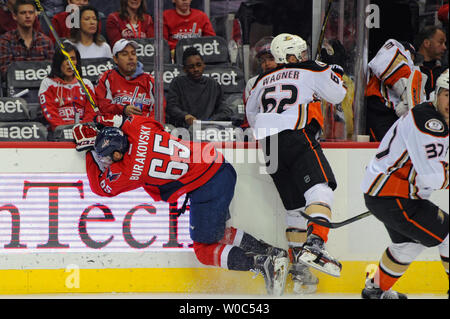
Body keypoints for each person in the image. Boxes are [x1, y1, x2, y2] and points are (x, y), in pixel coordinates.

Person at [71, 113, 290, 296]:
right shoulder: (138, 126)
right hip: (219, 165)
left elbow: (101, 188)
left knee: (203, 250)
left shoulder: (127, 171)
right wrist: (103, 120)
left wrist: (89, 152)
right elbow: (128, 120)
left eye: (108, 157)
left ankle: (263, 263)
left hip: (207, 183)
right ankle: (273, 252)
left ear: (118, 153)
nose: (106, 162)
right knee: (216, 234)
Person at [246, 33, 347, 281]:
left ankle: (299, 270)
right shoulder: (311, 69)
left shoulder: (261, 80)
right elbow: (338, 95)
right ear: (289, 56)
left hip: (267, 144)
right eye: (300, 53)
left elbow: (251, 115)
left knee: (294, 209)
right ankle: (316, 243)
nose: (304, 57)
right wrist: (335, 68)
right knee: (320, 189)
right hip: (295, 135)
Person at [360, 69, 449, 299]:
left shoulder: (435, 119)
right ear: (437, 93)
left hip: (388, 193)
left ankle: (375, 291)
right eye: (447, 94)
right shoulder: (430, 123)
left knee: (408, 245)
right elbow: (433, 176)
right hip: (394, 195)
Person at [364, 39, 423, 142]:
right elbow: (384, 62)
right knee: (382, 150)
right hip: (381, 111)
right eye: (413, 57)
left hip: (396, 117)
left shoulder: (414, 71)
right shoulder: (393, 48)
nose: (413, 61)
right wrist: (406, 94)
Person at [165, 46, 232, 128]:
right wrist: (185, 116)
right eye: (191, 67)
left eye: (198, 65)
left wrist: (211, 121)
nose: (196, 69)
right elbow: (171, 107)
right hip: (184, 129)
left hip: (210, 129)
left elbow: (225, 110)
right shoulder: (177, 83)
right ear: (184, 69)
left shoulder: (213, 84)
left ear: (204, 65)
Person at [95, 38, 162, 119]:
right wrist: (123, 109)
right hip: (117, 126)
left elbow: (159, 112)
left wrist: (146, 124)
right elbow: (103, 107)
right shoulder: (106, 78)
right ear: (115, 59)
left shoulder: (149, 80)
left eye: (133, 53)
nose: (131, 57)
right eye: (125, 54)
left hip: (145, 127)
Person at [38, 41, 97, 131]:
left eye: (73, 59)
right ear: (58, 62)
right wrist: (65, 129)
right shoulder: (47, 83)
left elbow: (91, 112)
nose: (69, 63)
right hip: (59, 133)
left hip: (84, 131)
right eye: (65, 59)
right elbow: (50, 113)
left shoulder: (86, 84)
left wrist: (82, 129)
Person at [0, 0, 54, 80]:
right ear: (14, 16)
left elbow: (52, 71)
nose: (28, 16)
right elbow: (6, 73)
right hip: (15, 89)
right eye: (23, 13)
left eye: (31, 12)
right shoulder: (6, 41)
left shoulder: (46, 42)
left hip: (42, 88)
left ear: (35, 14)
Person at [415, 26, 448, 100]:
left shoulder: (445, 70)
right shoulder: (410, 68)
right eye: (440, 42)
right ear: (427, 43)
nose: (444, 47)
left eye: (444, 43)